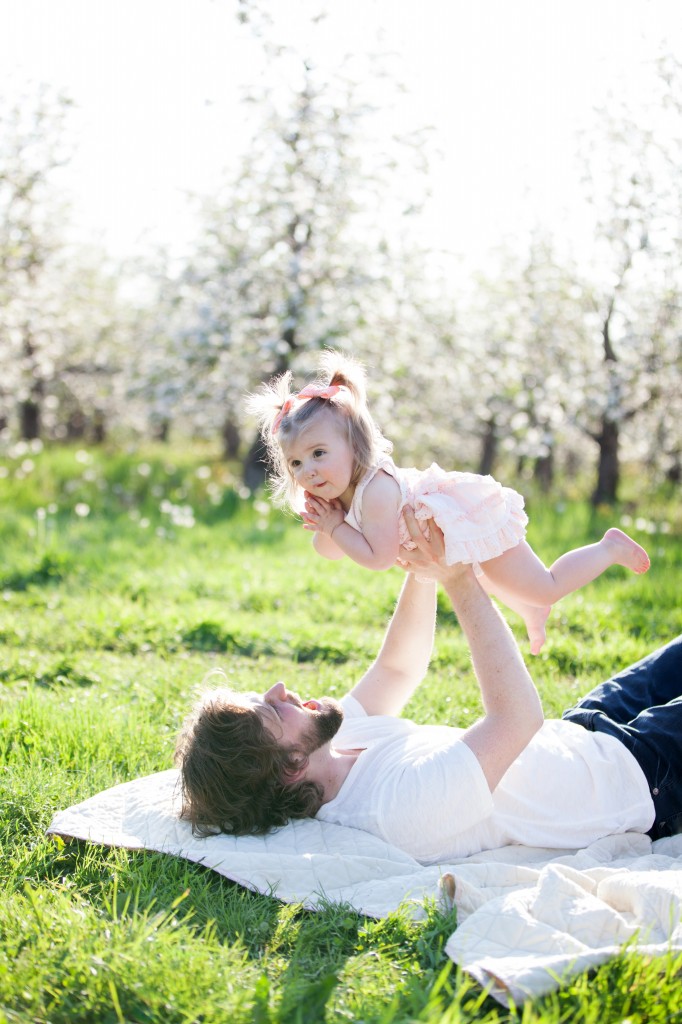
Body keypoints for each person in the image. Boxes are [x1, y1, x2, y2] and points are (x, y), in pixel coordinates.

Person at [175, 512, 682, 861]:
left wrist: (420, 562)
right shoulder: (397, 810)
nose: (280, 689)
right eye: (271, 711)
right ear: (289, 767)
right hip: (640, 778)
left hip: (581, 733)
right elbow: (515, 718)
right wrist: (459, 580)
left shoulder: (341, 746)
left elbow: (398, 668)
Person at [247, 350, 649, 654]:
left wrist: (335, 527)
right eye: (296, 463)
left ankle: (607, 548)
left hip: (467, 515)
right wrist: (327, 525)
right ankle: (531, 612)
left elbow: (378, 558)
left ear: (354, 445)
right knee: (485, 577)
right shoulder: (341, 493)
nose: (309, 471)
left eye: (319, 454)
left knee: (543, 586)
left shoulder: (378, 490)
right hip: (447, 538)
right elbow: (329, 552)